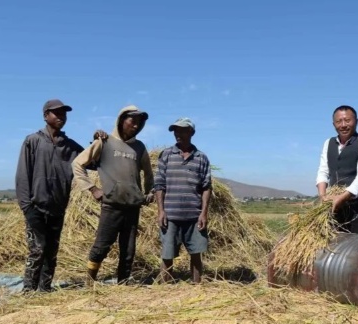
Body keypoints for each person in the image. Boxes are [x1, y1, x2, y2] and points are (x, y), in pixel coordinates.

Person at [15, 99, 106, 292]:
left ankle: (45, 288)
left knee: (51, 251)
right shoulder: (33, 141)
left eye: (63, 113)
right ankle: (28, 291)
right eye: (56, 113)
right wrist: (27, 208)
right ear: (45, 115)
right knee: (37, 250)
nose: (61, 117)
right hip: (35, 207)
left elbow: (92, 163)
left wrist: (97, 142)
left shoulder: (70, 146)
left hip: (57, 207)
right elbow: (22, 176)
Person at [72, 105, 154, 285]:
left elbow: (148, 174)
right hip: (111, 205)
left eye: (139, 123)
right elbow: (77, 164)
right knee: (102, 246)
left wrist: (149, 193)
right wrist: (93, 189)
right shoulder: (104, 142)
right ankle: (90, 282)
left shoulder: (139, 147)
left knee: (129, 250)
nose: (135, 125)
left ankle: (123, 284)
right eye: (132, 120)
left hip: (133, 206)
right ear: (121, 120)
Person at [154, 118, 212, 284]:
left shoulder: (201, 158)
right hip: (170, 215)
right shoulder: (166, 155)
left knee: (196, 253)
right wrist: (161, 211)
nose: (178, 134)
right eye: (175, 131)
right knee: (167, 253)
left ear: (191, 132)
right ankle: (165, 287)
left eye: (182, 130)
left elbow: (206, 187)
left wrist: (203, 213)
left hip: (194, 216)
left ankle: (196, 285)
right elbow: (159, 184)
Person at [316, 105, 358, 234]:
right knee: (333, 247)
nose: (343, 125)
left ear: (356, 122)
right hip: (334, 209)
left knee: (357, 248)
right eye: (339, 122)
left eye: (347, 120)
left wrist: (342, 197)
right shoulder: (328, 143)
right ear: (334, 124)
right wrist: (323, 196)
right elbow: (323, 171)